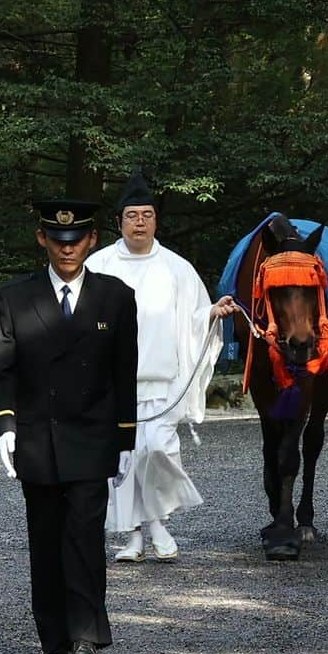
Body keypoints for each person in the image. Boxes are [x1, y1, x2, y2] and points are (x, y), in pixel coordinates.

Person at [0, 198, 138, 654]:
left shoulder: (116, 296)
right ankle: (52, 640)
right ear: (42, 240)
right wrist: (3, 426)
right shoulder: (14, 297)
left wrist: (126, 436)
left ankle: (85, 637)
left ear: (92, 241)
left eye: (75, 240)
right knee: (46, 540)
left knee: (85, 538)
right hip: (37, 438)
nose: (66, 249)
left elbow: (123, 372)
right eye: (57, 240)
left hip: (92, 437)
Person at [85, 170, 235, 562]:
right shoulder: (98, 265)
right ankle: (134, 536)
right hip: (113, 384)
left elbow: (194, 315)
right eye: (132, 215)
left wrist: (213, 313)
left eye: (147, 215)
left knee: (157, 451)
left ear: (156, 220)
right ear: (119, 221)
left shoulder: (176, 267)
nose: (140, 222)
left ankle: (157, 523)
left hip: (162, 381)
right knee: (122, 459)